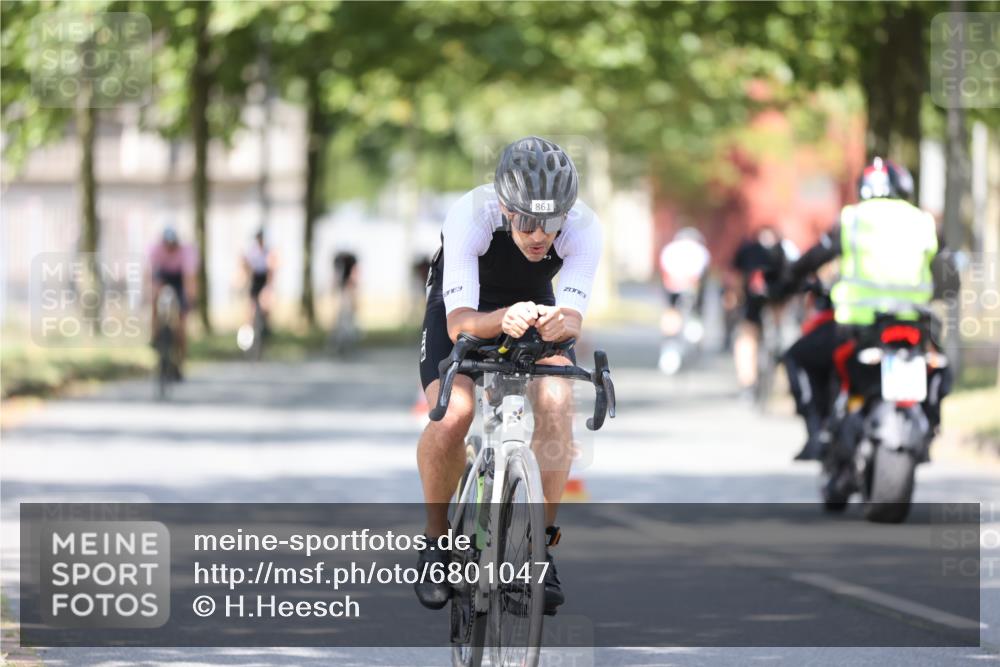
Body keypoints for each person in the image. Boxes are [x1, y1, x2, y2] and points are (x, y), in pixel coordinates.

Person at [414, 136, 602, 615]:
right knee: (454, 413)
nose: (540, 235)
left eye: (552, 222)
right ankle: (436, 546)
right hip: (462, 307)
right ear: (504, 207)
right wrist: (500, 319)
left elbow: (573, 315)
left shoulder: (584, 228)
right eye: (525, 221)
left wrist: (565, 321)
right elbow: (459, 325)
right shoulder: (470, 214)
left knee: (558, 403)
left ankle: (541, 551)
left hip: (532, 304)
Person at [779, 157, 951, 460]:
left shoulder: (853, 219)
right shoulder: (923, 222)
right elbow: (948, 275)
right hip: (914, 321)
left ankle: (816, 431)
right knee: (940, 363)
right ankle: (932, 423)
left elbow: (813, 258)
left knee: (797, 357)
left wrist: (789, 279)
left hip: (857, 323)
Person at [730, 225, 795, 397]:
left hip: (760, 298)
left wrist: (734, 297)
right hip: (776, 298)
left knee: (747, 337)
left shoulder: (749, 250)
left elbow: (736, 276)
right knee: (753, 336)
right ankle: (757, 380)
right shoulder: (784, 249)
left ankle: (748, 383)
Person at [657, 227, 710, 373]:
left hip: (674, 286)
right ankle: (692, 330)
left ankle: (671, 350)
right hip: (687, 287)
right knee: (681, 315)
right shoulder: (700, 251)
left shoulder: (670, 249)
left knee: (672, 315)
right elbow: (701, 275)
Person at [149, 226, 198, 375]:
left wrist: (189, 299)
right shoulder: (156, 251)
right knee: (155, 301)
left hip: (179, 281)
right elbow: (151, 276)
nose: (170, 248)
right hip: (163, 278)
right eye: (167, 245)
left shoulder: (186, 253)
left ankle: (180, 358)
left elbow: (189, 279)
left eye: (172, 245)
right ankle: (155, 335)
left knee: (182, 322)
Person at [241, 229, 276, 338]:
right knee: (251, 307)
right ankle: (248, 331)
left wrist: (269, 285)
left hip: (263, 280)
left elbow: (271, 270)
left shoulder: (267, 252)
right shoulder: (252, 252)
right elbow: (246, 266)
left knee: (265, 305)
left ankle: (265, 328)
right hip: (255, 280)